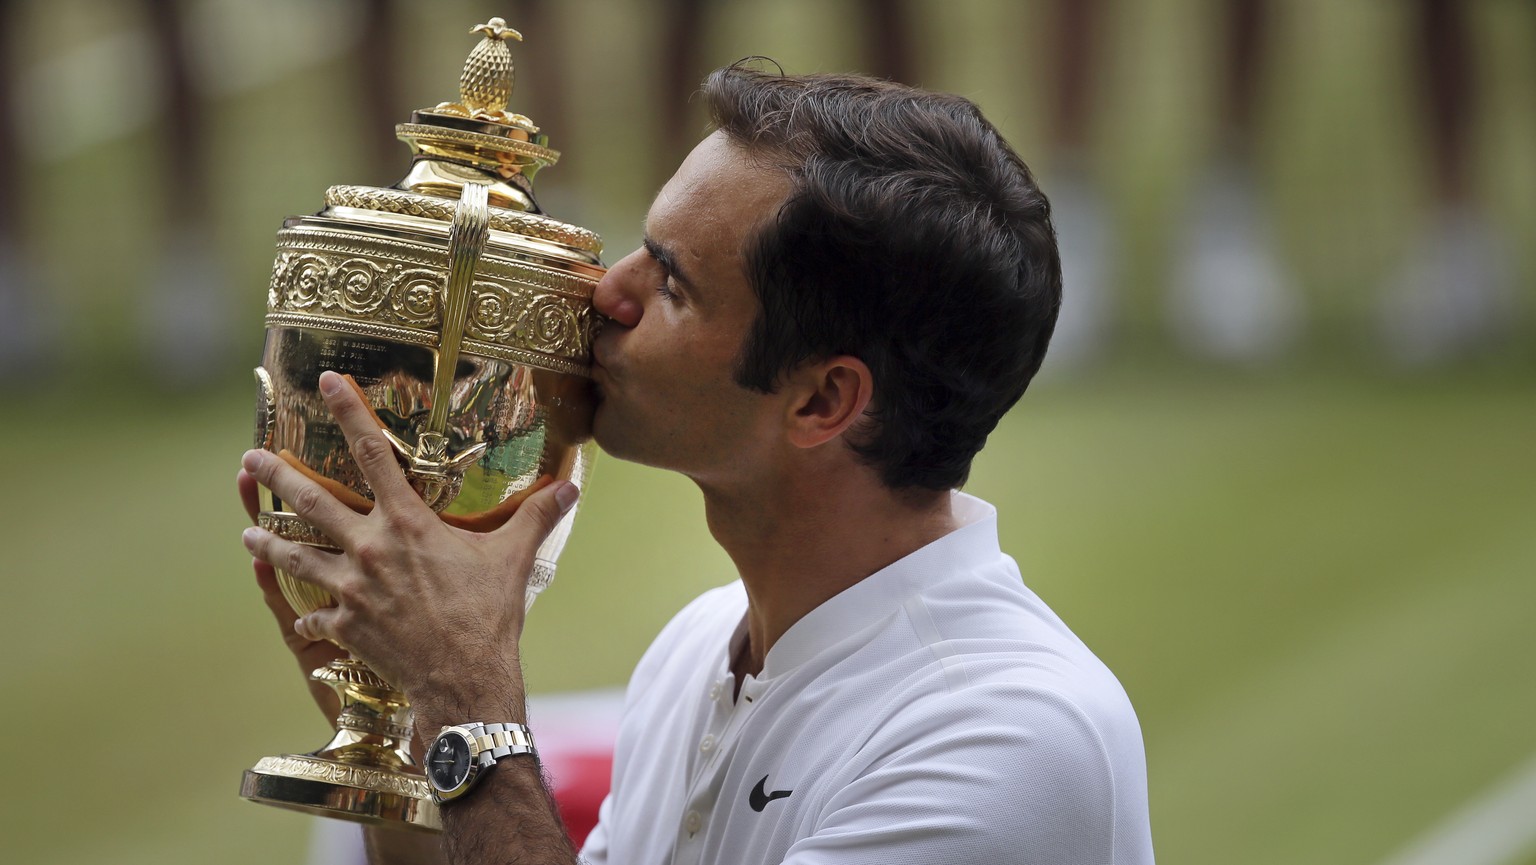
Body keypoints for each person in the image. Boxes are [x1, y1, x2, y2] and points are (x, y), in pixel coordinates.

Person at [239, 65, 1155, 865]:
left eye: (672, 282)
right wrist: (395, 721)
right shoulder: (697, 652)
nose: (609, 290)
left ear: (822, 402)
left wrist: (466, 691)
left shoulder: (1001, 741)